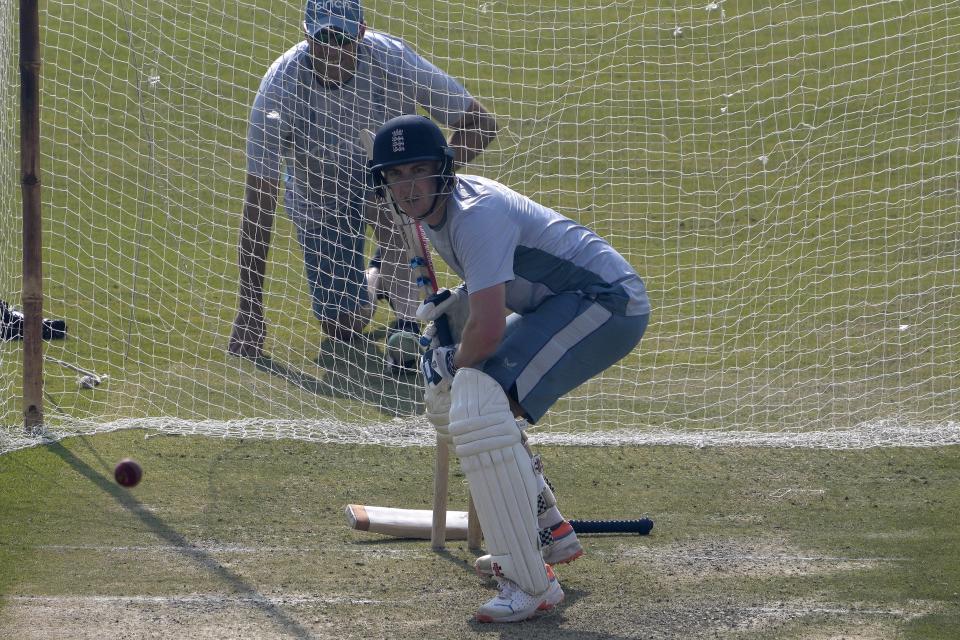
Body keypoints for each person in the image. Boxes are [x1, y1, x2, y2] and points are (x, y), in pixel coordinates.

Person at [368, 115, 650, 622]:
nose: (407, 186)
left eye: (418, 171)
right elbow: (490, 297)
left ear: (443, 172)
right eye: (395, 175)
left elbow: (491, 329)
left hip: (607, 302)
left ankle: (529, 580)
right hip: (560, 301)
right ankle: (545, 531)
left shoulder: (475, 215)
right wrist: (457, 317)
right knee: (458, 403)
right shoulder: (438, 213)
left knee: (475, 401)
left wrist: (455, 362)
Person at [228, 0, 497, 359]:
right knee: (342, 327)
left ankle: (407, 328)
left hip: (389, 187)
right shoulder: (279, 88)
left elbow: (481, 123)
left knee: (392, 207)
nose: (333, 49)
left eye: (344, 37)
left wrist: (425, 181)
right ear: (307, 34)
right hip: (318, 197)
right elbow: (260, 200)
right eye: (324, 36)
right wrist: (249, 309)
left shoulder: (394, 60)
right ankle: (378, 277)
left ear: (362, 32)